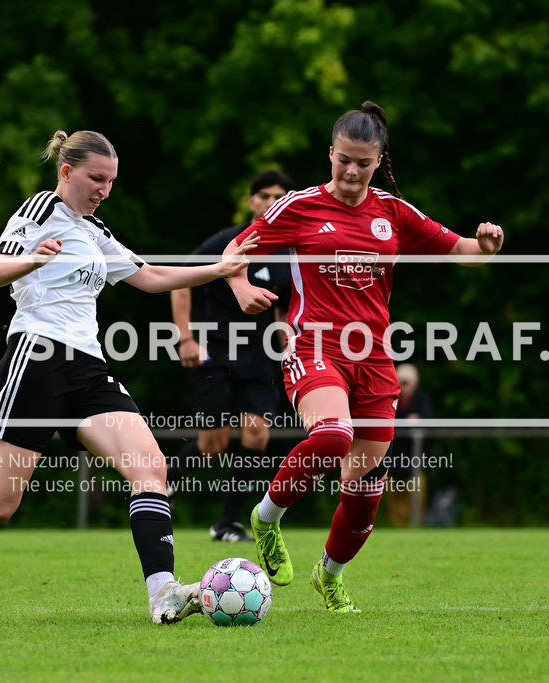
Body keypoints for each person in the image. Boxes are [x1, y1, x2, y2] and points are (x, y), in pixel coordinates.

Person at [0, 129, 258, 625]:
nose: (105, 189)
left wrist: (219, 269)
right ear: (67, 172)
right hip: (37, 359)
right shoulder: (41, 209)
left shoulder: (95, 230)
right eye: (96, 178)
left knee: (150, 468)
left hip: (89, 368)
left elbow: (149, 277)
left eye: (111, 181)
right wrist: (33, 258)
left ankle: (163, 593)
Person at [223, 101, 504, 612]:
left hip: (374, 359)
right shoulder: (299, 207)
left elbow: (460, 249)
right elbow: (235, 251)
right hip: (314, 345)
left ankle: (329, 575)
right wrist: (241, 287)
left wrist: (485, 246)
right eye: (343, 160)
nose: (351, 172)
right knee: (333, 435)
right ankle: (265, 518)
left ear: (378, 161)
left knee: (365, 489)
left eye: (363, 163)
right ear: (329, 153)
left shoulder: (392, 212)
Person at [169, 169, 295, 543]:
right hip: (216, 350)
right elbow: (180, 282)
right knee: (214, 445)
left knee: (257, 435)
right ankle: (163, 481)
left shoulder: (289, 253)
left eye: (280, 197)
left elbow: (283, 309)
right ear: (251, 200)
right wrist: (185, 338)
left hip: (259, 357)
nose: (271, 202)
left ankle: (226, 524)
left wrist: (288, 344)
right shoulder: (228, 241)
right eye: (265, 195)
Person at [384, 363, 433, 528]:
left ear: (415, 383)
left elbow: (428, 421)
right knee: (395, 501)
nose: (404, 387)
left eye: (407, 383)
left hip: (415, 460)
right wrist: (408, 420)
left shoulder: (422, 397)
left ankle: (415, 529)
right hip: (392, 460)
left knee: (417, 499)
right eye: (401, 383)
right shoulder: (390, 397)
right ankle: (399, 530)